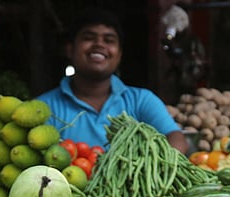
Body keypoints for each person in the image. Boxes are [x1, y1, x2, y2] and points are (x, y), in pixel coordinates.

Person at [37, 8, 188, 154]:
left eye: (109, 40)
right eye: (88, 38)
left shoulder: (140, 100)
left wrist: (150, 170)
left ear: (119, 55)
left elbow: (176, 138)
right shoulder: (44, 108)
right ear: (70, 50)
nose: (99, 44)